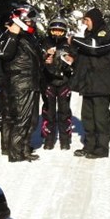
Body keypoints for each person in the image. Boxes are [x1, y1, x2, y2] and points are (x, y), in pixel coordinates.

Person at [67, 8, 110, 159]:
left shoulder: (105, 33)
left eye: (87, 20)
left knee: (101, 117)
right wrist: (73, 60)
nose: (85, 23)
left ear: (94, 20)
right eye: (84, 20)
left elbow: (95, 47)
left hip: (102, 84)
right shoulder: (89, 35)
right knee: (88, 117)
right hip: (88, 83)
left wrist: (75, 40)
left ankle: (101, 148)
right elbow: (86, 56)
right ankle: (89, 145)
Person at [0, 5, 43, 162]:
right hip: (21, 82)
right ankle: (17, 153)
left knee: (24, 118)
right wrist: (13, 34)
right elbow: (3, 54)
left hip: (27, 82)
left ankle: (16, 148)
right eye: (30, 21)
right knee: (22, 119)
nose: (32, 24)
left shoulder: (27, 37)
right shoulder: (10, 34)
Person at [40, 16, 73, 150]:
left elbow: (75, 58)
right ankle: (49, 139)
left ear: (64, 31)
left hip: (64, 81)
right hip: (48, 81)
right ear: (50, 30)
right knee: (49, 112)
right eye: (54, 30)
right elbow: (36, 58)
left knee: (64, 112)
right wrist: (45, 57)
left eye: (60, 31)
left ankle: (65, 140)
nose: (57, 33)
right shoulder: (44, 42)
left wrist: (71, 60)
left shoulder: (68, 43)